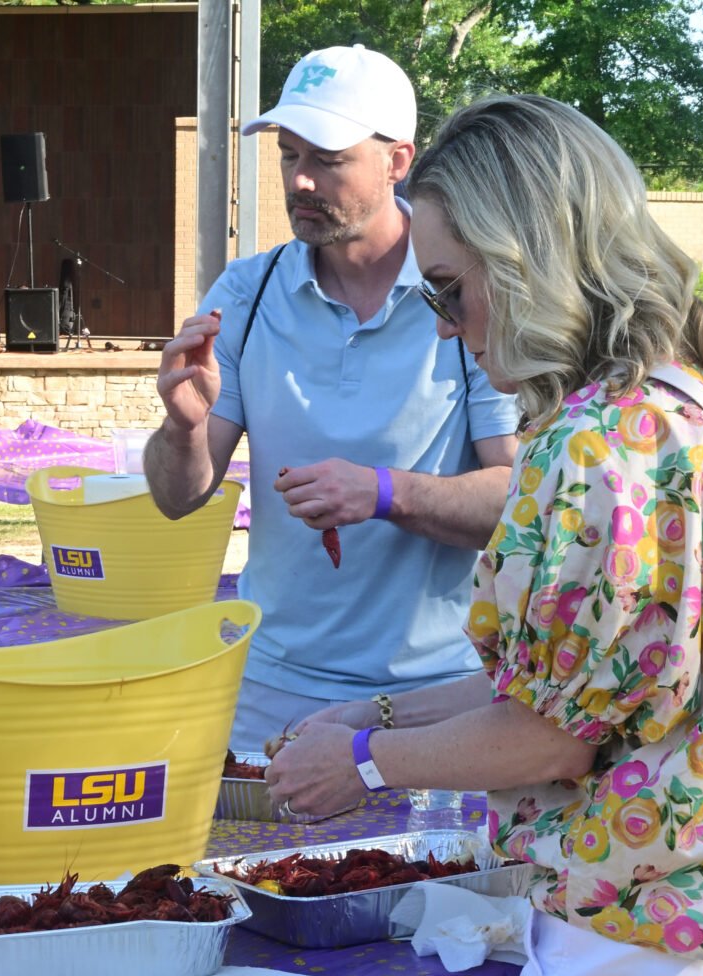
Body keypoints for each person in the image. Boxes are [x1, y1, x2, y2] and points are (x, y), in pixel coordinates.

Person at [265, 94, 703, 976]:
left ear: (523, 258)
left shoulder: (595, 445)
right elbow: (590, 686)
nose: (444, 325)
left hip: (654, 940)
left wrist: (367, 759)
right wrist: (372, 713)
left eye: (448, 289)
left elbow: (554, 737)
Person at [143, 46, 520, 748]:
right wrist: (184, 429)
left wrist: (384, 492)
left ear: (397, 160)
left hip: (439, 696)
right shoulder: (245, 294)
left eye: (329, 159)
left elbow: (519, 502)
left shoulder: (464, 290)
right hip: (268, 689)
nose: (301, 180)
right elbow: (176, 499)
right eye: (288, 156)